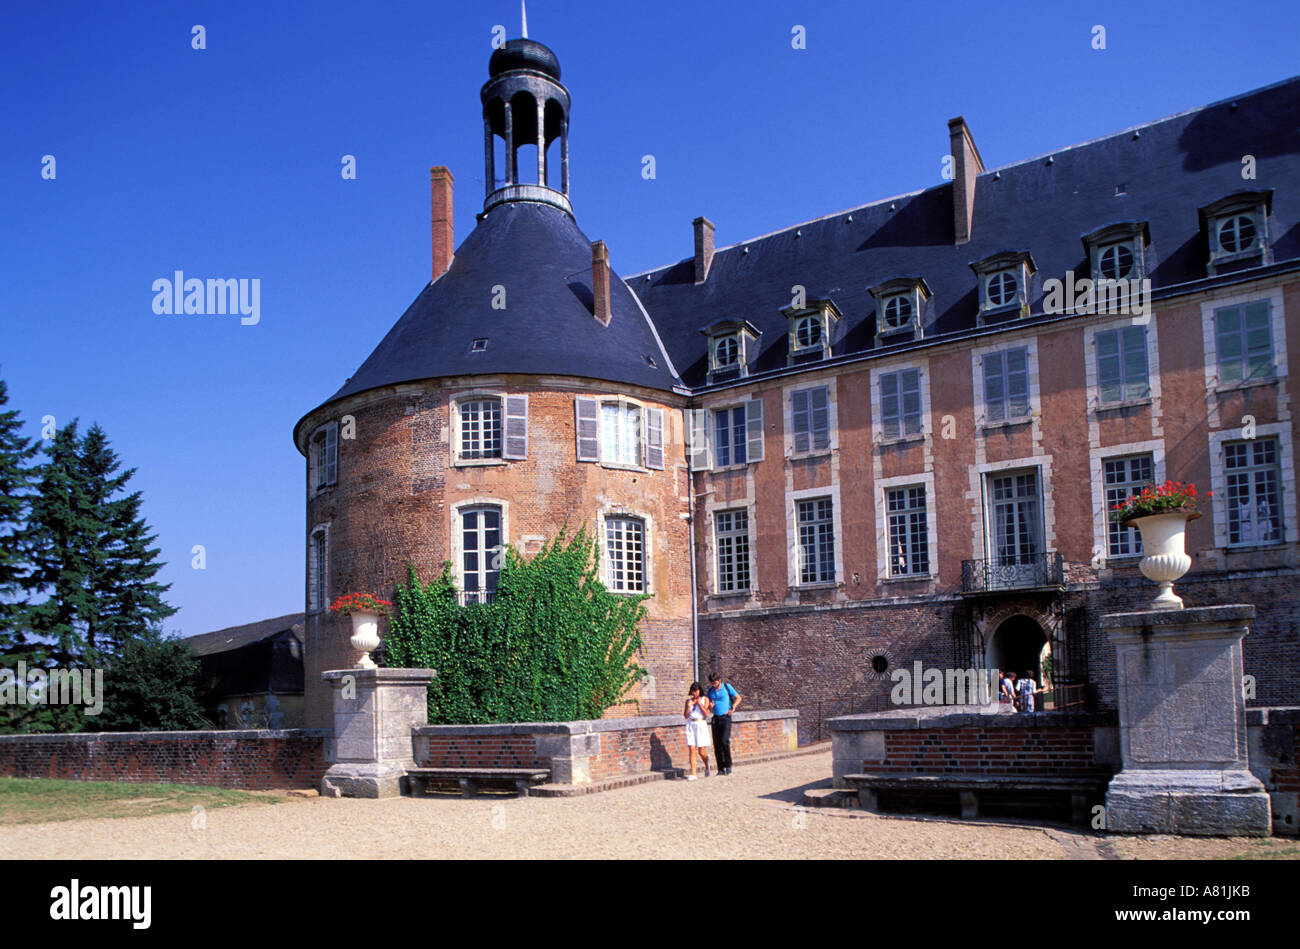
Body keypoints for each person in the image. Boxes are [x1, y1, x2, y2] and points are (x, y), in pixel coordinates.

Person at [706, 672, 741, 775]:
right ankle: (720, 768)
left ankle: (728, 765)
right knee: (717, 744)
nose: (714, 685)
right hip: (715, 718)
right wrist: (710, 706)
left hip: (725, 718)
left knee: (724, 741)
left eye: (715, 683)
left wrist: (733, 707)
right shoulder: (710, 690)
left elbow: (738, 697)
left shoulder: (727, 687)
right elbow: (708, 704)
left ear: (719, 680)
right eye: (712, 683)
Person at [683, 682, 713, 779]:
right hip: (691, 724)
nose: (694, 693)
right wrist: (688, 706)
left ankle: (706, 764)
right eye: (693, 691)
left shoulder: (705, 699)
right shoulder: (688, 701)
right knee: (692, 749)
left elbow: (705, 714)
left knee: (701, 751)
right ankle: (693, 773)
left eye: (696, 690)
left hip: (700, 724)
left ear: (700, 690)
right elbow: (686, 716)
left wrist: (699, 703)